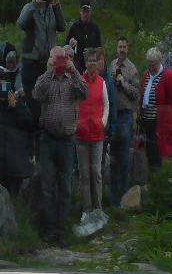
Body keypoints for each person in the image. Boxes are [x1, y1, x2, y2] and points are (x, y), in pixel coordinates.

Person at [31, 44, 87, 244]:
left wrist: (74, 70)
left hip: (67, 141)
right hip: (48, 139)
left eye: (63, 58)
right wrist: (49, 71)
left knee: (65, 188)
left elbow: (85, 93)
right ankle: (49, 230)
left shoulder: (73, 80)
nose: (60, 62)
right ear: (50, 59)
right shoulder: (45, 79)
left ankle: (62, 230)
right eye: (57, 58)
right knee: (47, 187)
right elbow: (36, 94)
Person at [0, 49, 37, 197]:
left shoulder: (15, 103)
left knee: (11, 194)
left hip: (14, 160)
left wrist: (16, 106)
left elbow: (30, 123)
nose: (3, 90)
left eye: (5, 86)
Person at [17, 0, 66, 119]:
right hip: (31, 64)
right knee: (33, 106)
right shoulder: (29, 7)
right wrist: (35, 3)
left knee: (48, 105)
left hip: (48, 65)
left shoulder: (52, 9)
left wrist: (57, 6)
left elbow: (62, 27)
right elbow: (21, 23)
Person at [75, 47, 113, 222]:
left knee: (97, 172)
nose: (92, 63)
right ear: (85, 63)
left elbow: (107, 105)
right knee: (84, 174)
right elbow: (74, 103)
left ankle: (98, 209)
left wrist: (102, 122)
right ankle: (86, 209)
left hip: (97, 135)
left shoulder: (102, 82)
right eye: (89, 60)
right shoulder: (79, 82)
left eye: (94, 61)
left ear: (98, 64)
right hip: (81, 135)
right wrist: (77, 123)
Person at [107, 37, 140, 207]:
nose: (121, 49)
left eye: (124, 47)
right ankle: (113, 200)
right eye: (119, 46)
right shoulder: (111, 65)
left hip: (125, 116)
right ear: (116, 48)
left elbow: (136, 93)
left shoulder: (132, 69)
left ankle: (125, 199)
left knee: (124, 158)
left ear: (128, 49)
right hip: (112, 116)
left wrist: (123, 83)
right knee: (113, 158)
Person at [139, 47, 164, 171]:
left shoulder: (164, 77)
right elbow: (141, 94)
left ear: (159, 62)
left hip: (158, 121)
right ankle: (149, 172)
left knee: (156, 149)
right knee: (148, 148)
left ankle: (157, 172)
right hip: (146, 120)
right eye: (149, 63)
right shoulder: (146, 75)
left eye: (152, 64)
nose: (150, 66)